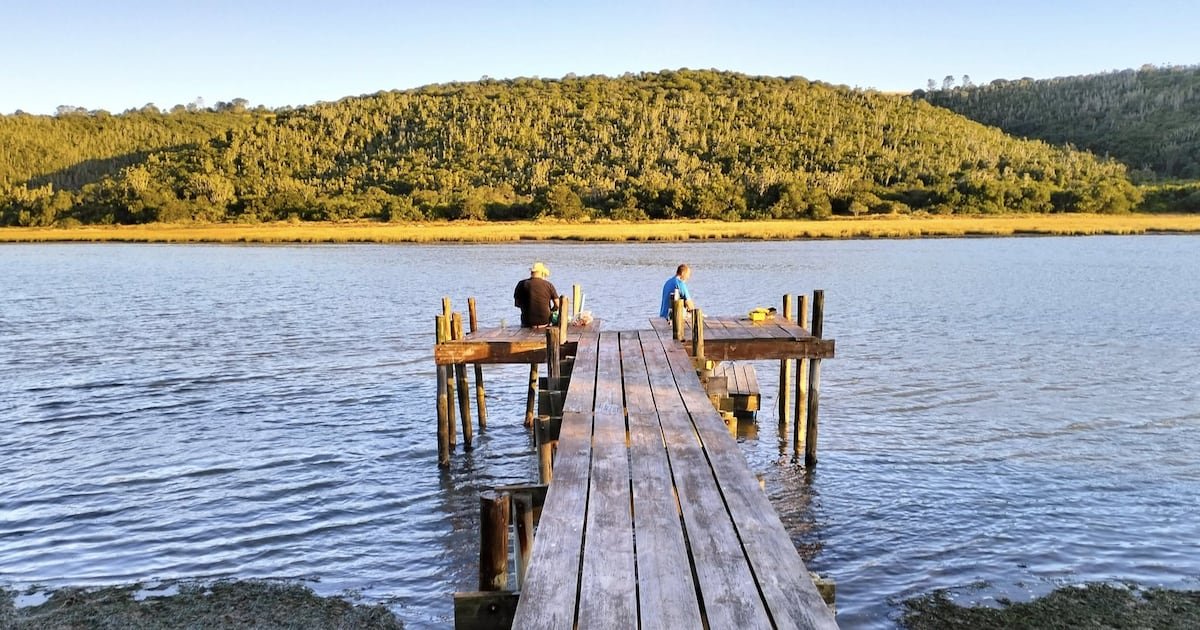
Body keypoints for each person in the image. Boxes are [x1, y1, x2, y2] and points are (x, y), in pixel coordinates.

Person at [514, 261, 559, 328]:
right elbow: (557, 304)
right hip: (545, 322)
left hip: (527, 322)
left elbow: (517, 304)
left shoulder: (521, 284)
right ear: (542, 273)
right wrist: (551, 311)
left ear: (531, 273)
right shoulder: (549, 285)